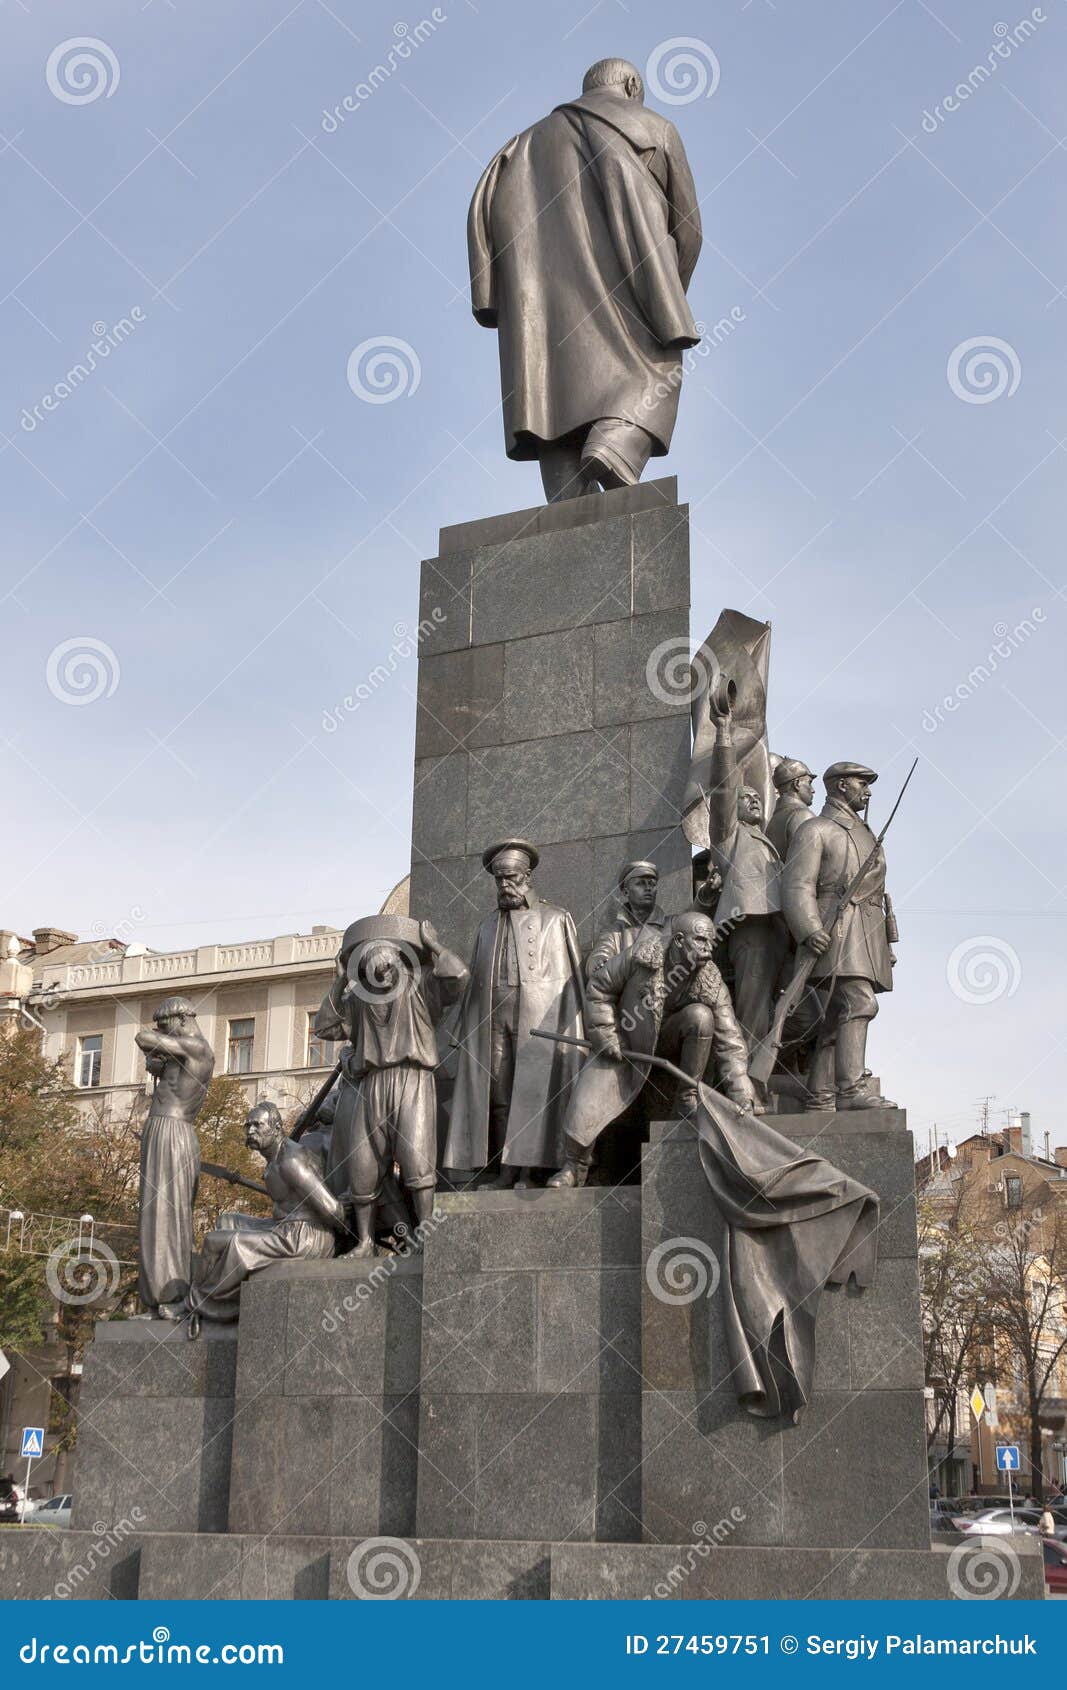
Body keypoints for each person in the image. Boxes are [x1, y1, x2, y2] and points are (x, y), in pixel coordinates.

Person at [468, 57, 702, 502]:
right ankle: (616, 441)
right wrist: (667, 292)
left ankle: (564, 490)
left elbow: (481, 219)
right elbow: (688, 230)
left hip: (537, 306)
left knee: (550, 388)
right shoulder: (655, 128)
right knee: (659, 365)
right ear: (632, 85)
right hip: (630, 287)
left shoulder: (519, 146)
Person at [549, 910, 757, 1189]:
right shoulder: (641, 955)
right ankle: (574, 1165)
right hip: (626, 1043)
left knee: (701, 1017)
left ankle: (687, 1096)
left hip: (670, 1046)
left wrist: (742, 1094)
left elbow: (730, 1039)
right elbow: (599, 987)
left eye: (711, 942)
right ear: (680, 940)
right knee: (587, 1102)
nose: (709, 950)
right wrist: (607, 1035)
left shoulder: (711, 977)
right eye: (701, 941)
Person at [314, 918, 467, 1255]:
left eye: (386, 965)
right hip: (372, 1085)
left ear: (400, 962)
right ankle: (366, 1241)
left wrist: (434, 946)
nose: (381, 972)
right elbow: (324, 1028)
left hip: (413, 1078)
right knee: (363, 1166)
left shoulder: (421, 987)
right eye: (372, 966)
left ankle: (426, 1235)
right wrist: (340, 982)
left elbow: (458, 977)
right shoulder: (359, 1000)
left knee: (417, 1161)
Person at [445, 840, 585, 1187]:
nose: (504, 886)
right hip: (493, 1017)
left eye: (510, 878)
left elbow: (575, 980)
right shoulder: (486, 926)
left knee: (533, 1091)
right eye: (498, 880)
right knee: (499, 1094)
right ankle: (506, 1170)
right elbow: (475, 980)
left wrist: (585, 1024)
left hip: (538, 1017)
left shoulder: (556, 919)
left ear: (528, 876)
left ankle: (531, 1171)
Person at [781, 762, 899, 1111]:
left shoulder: (865, 832)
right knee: (860, 1003)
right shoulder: (815, 829)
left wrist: (887, 943)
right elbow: (797, 884)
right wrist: (809, 928)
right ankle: (851, 1089)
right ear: (841, 785)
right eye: (862, 783)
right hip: (837, 930)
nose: (869, 790)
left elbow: (881, 891)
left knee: (835, 1017)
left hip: (867, 930)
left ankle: (820, 1096)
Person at [173, 1103, 345, 1334]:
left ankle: (193, 1306)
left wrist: (357, 1229)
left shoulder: (291, 1161)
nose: (250, 1131)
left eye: (257, 1125)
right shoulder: (273, 1157)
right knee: (226, 1222)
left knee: (222, 1242)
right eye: (248, 1126)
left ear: (276, 1127)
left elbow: (332, 1209)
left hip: (305, 1236)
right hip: (284, 1227)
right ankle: (205, 1297)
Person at [704, 692, 788, 1094]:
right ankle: (743, 1084)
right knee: (752, 1011)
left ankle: (765, 1077)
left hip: (776, 929)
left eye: (757, 798)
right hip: (748, 928)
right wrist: (723, 732)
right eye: (746, 798)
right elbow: (723, 790)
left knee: (778, 1009)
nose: (752, 800)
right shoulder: (729, 838)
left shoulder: (765, 841)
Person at [134, 996, 215, 1316]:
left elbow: (143, 1038)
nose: (160, 1030)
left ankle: (169, 1295)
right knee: (161, 1214)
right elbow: (161, 1063)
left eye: (164, 1024)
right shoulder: (187, 1052)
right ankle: (159, 1298)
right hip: (174, 1132)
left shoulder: (195, 1047)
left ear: (181, 1019)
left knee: (164, 1215)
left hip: (169, 1131)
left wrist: (157, 1044)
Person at [766, 758, 815, 860]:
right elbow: (806, 863)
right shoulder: (802, 815)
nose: (813, 790)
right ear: (797, 784)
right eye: (809, 783)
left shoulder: (774, 818)